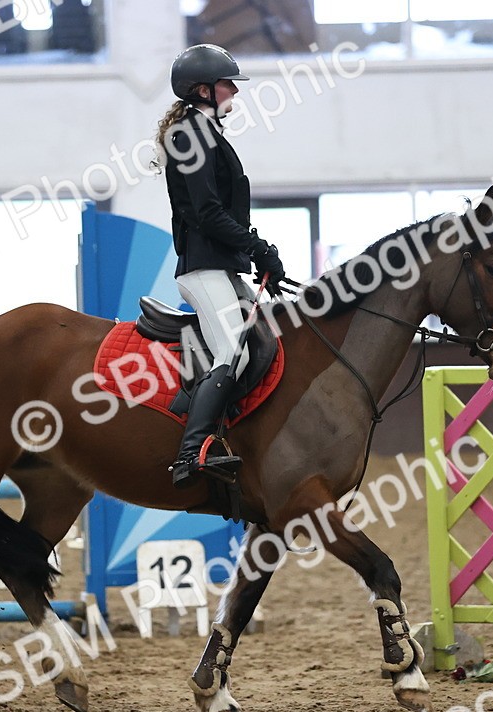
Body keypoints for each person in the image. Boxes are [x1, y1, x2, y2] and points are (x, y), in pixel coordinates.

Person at [154, 43, 286, 489]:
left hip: (223, 265)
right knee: (234, 350)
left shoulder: (206, 132)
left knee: (269, 335)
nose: (235, 91)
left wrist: (253, 255)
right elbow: (208, 213)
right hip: (202, 269)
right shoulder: (190, 135)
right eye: (228, 83)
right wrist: (257, 247)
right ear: (203, 89)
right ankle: (191, 454)